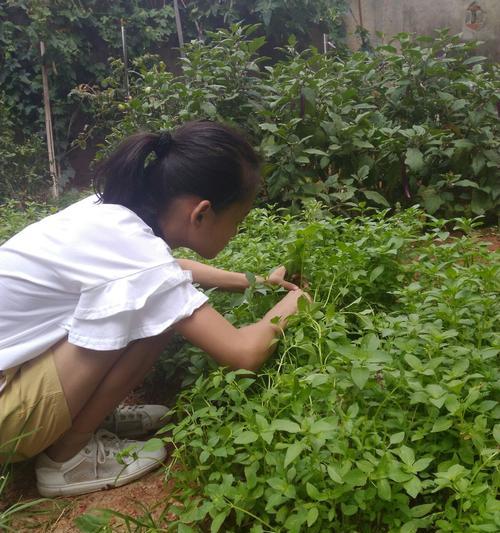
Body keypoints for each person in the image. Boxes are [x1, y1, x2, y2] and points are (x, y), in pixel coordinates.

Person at [0, 120, 307, 497]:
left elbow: (162, 271)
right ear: (201, 213)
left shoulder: (111, 211)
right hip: (6, 419)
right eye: (238, 222)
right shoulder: (137, 257)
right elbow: (242, 352)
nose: (236, 232)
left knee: (150, 298)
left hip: (10, 382)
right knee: (155, 312)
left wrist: (253, 280)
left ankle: (84, 417)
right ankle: (67, 459)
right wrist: (293, 306)